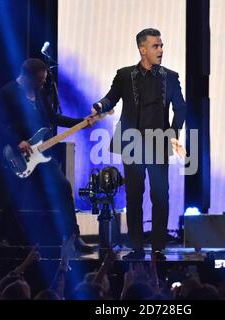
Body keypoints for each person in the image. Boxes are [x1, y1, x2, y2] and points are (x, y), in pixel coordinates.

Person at [93, 28, 187, 260]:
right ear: (142, 49)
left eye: (162, 46)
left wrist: (174, 133)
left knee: (160, 195)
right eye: (156, 46)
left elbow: (181, 108)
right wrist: (98, 106)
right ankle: (135, 247)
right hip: (132, 143)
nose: (161, 50)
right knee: (134, 196)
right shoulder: (125, 76)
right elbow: (111, 97)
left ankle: (157, 247)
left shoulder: (170, 77)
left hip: (158, 143)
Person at [0, 58, 93, 253]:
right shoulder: (7, 93)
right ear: (27, 77)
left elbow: (52, 117)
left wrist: (81, 122)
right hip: (20, 156)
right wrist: (17, 141)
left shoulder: (38, 93)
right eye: (40, 80)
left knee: (63, 187)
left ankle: (72, 238)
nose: (43, 83)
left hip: (42, 155)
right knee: (16, 197)